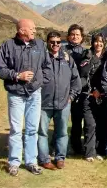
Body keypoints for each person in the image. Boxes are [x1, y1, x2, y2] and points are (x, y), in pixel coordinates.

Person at [0, 19, 53, 176]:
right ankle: (14, 162)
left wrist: (40, 82)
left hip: (34, 94)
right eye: (31, 28)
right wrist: (17, 76)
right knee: (15, 129)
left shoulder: (40, 45)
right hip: (16, 94)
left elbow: (47, 67)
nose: (34, 30)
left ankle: (31, 162)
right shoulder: (8, 46)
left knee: (32, 129)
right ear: (21, 31)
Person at [38, 32, 81, 170]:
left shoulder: (67, 59)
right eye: (52, 42)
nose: (55, 44)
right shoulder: (41, 58)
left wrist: (72, 96)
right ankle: (44, 159)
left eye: (58, 42)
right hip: (43, 103)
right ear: (47, 42)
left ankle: (60, 158)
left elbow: (76, 80)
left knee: (62, 132)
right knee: (42, 132)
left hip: (63, 103)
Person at [79, 33, 107, 162]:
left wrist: (102, 90)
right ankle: (89, 152)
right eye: (96, 41)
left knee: (102, 125)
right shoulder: (87, 55)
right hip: (89, 95)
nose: (98, 44)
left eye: (101, 41)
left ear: (104, 43)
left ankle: (100, 150)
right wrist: (92, 90)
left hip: (103, 96)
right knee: (90, 124)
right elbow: (83, 75)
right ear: (92, 43)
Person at [65, 24, 86, 156]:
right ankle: (58, 146)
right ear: (68, 36)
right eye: (72, 34)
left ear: (82, 37)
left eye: (77, 35)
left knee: (77, 121)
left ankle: (76, 145)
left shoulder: (85, 52)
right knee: (61, 121)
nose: (75, 37)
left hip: (79, 91)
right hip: (64, 90)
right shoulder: (62, 50)